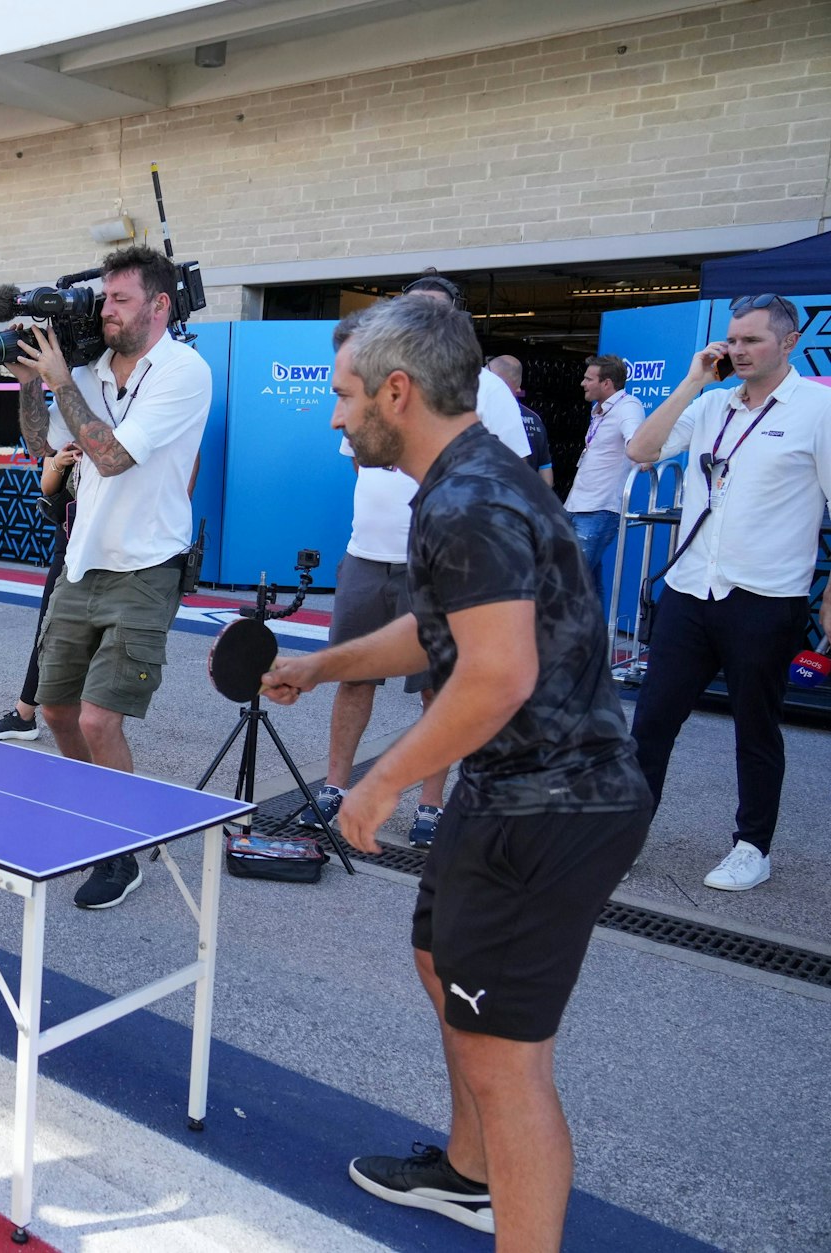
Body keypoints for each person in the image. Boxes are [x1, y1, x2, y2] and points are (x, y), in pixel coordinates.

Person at [263, 296, 651, 1250]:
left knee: (506, 1063)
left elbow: (497, 670)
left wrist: (382, 778)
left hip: (550, 805)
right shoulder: (463, 480)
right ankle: (471, 1174)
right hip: (508, 791)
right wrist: (321, 664)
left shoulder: (469, 496)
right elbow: (444, 629)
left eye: (347, 394)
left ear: (398, 391)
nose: (335, 414)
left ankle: (508, 1203)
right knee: (439, 954)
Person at [298, 273, 534, 849]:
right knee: (355, 677)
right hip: (366, 554)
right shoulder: (375, 380)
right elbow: (356, 455)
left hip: (439, 563)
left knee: (439, 687)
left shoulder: (484, 394)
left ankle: (431, 805)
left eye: (430, 316)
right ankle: (334, 788)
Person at [12, 244, 210, 910]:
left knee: (100, 720)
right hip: (82, 562)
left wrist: (62, 379)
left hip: (148, 568)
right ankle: (97, 817)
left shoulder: (185, 372)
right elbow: (45, 447)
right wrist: (28, 379)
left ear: (159, 304)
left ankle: (121, 853)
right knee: (58, 710)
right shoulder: (89, 369)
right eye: (102, 299)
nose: (105, 311)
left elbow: (114, 454)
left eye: (120, 300)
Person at [624, 293, 831, 893]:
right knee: (652, 723)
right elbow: (640, 451)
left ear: (789, 343)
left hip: (765, 598)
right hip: (691, 591)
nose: (738, 350)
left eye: (753, 341)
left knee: (755, 727)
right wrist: (692, 382)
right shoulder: (711, 404)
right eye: (732, 340)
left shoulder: (818, 410)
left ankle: (752, 846)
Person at [0, 429, 80, 741]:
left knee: (91, 634)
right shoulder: (70, 418)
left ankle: (76, 716)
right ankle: (24, 714)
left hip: (116, 546)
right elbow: (48, 486)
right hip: (70, 539)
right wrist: (60, 462)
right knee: (48, 628)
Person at [563, 354, 647, 595]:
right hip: (577, 504)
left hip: (599, 509)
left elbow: (636, 441)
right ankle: (596, 632)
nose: (582, 383)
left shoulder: (628, 406)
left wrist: (642, 457)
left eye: (588, 378)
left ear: (607, 383)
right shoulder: (599, 410)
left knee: (569, 580)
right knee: (588, 580)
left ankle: (553, 633)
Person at [485, 355, 553, 489]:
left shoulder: (482, 413)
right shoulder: (534, 419)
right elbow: (545, 469)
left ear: (494, 379)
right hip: (525, 502)